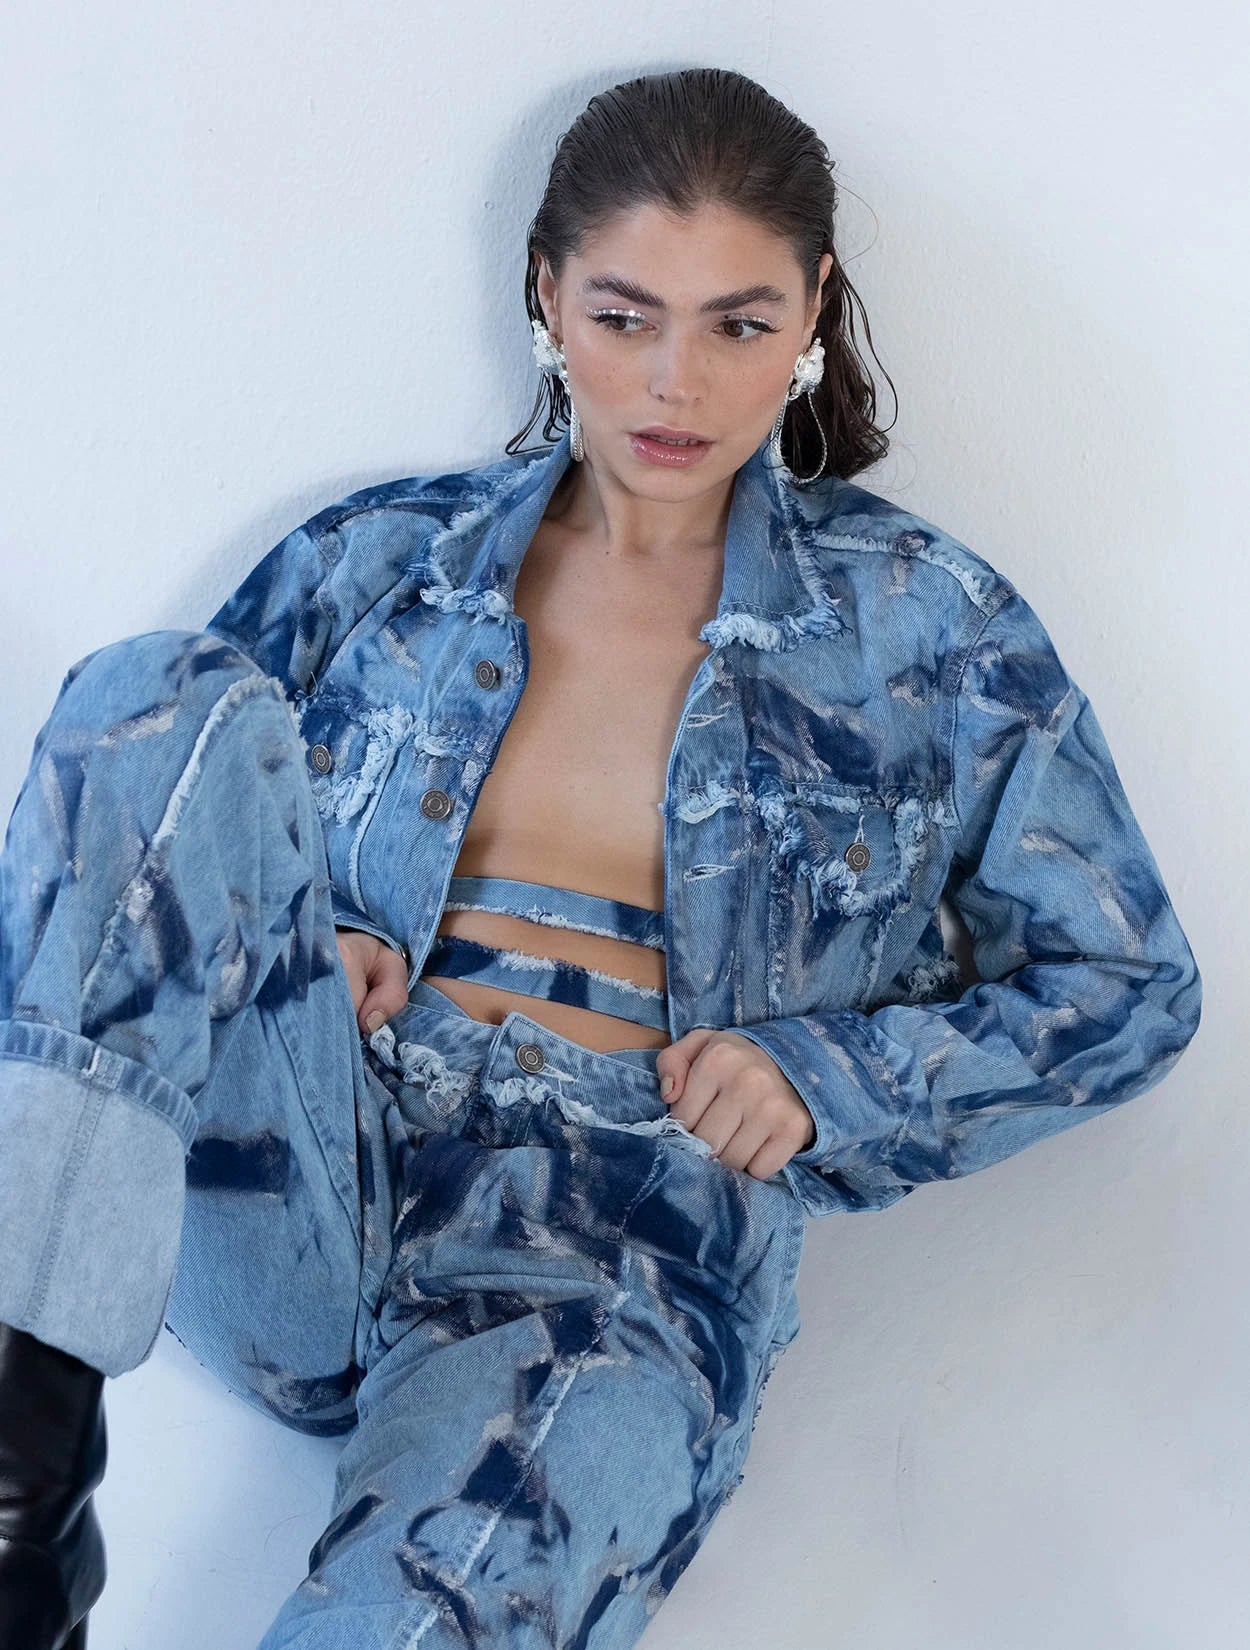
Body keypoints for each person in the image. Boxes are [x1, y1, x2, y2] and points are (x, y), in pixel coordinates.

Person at [0, 65, 1201, 1650]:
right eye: (624, 316)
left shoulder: (930, 631)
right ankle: (19, 1469)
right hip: (313, 1165)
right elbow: (159, 829)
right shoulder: (383, 560)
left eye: (736, 324)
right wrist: (317, 930)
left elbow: (1126, 980)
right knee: (152, 694)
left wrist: (830, 1078)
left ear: (812, 311)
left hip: (621, 1250)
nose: (673, 383)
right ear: (546, 292)